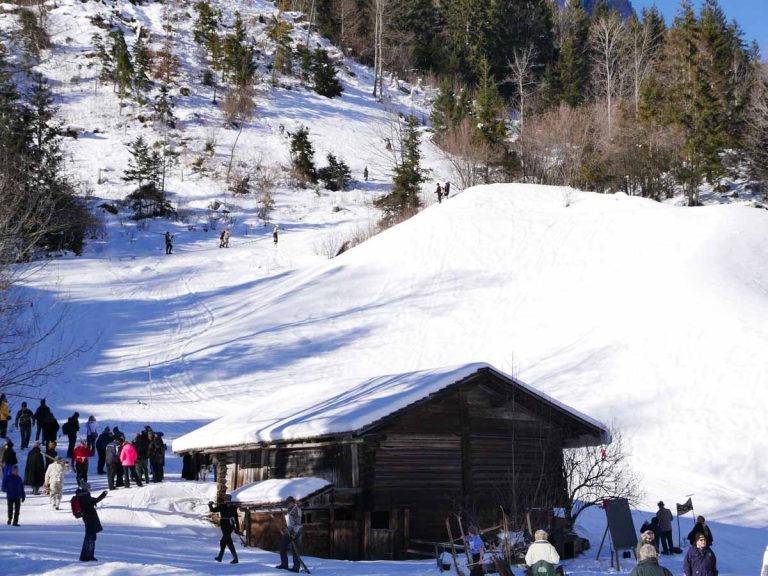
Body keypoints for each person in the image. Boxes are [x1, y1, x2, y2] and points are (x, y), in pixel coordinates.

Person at [76, 482, 108, 561]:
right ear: (85, 489)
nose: (90, 489)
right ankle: (85, 556)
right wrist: (103, 494)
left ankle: (89, 555)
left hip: (89, 518)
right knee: (89, 538)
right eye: (89, 488)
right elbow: (95, 500)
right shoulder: (84, 496)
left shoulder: (83, 495)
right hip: (89, 519)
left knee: (91, 538)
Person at [208, 495, 239, 564]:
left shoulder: (225, 506)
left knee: (228, 541)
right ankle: (220, 557)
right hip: (230, 525)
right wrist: (237, 527)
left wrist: (210, 505)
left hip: (226, 525)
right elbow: (213, 510)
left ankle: (235, 558)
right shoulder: (230, 506)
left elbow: (212, 510)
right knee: (223, 541)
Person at [277, 495, 302, 572]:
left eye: (288, 503)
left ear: (292, 502)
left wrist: (294, 533)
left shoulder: (296, 510)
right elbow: (290, 523)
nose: (287, 504)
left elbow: (298, 524)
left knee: (295, 550)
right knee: (282, 546)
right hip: (289, 531)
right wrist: (286, 529)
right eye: (287, 503)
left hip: (296, 532)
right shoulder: (289, 510)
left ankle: (296, 568)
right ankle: (284, 564)